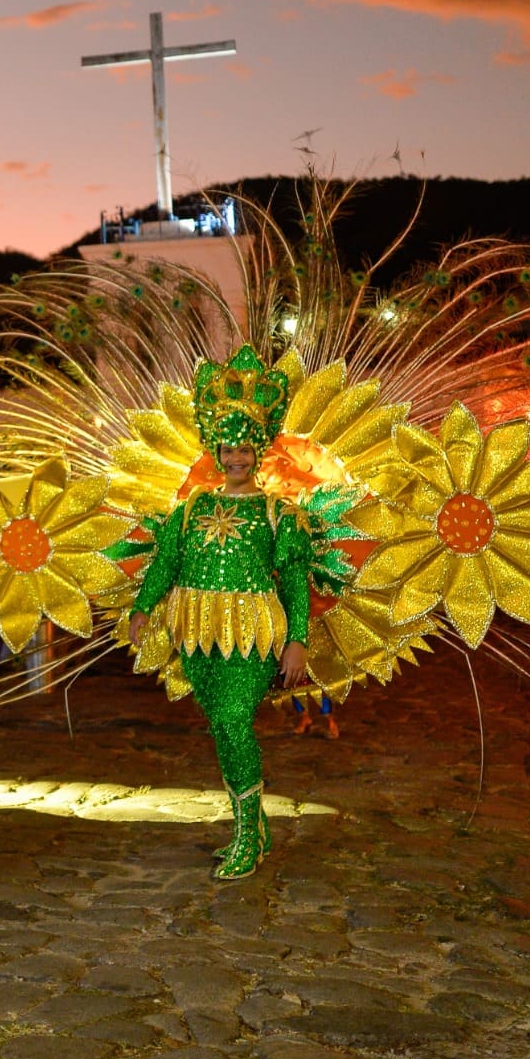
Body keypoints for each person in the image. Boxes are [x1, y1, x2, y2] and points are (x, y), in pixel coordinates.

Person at [124, 346, 314, 881]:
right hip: (196, 632)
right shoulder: (191, 508)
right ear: (216, 449)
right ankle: (252, 824)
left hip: (252, 635)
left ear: (260, 452)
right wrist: (143, 607)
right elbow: (166, 563)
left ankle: (247, 838)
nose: (236, 458)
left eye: (246, 449)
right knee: (221, 728)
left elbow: (295, 579)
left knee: (234, 723)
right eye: (228, 448)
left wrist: (297, 638)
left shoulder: (279, 513)